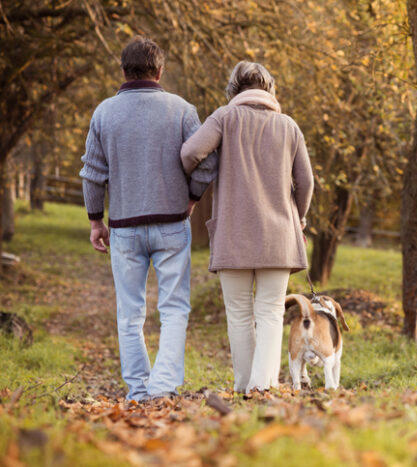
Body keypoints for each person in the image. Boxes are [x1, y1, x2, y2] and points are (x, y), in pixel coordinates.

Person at [79, 36, 218, 402]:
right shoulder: (183, 110)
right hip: (172, 223)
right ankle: (163, 387)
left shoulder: (104, 113)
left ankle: (138, 391)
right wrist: (191, 197)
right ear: (160, 71)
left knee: (129, 315)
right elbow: (208, 162)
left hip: (124, 227)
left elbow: (92, 173)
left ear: (123, 71)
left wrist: (96, 220)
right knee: (174, 310)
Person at [181, 61, 313, 394]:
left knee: (239, 314)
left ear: (233, 90)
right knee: (270, 313)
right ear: (269, 89)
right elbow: (306, 181)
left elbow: (191, 152)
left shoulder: (224, 117)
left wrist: (197, 176)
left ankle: (245, 385)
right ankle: (262, 386)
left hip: (234, 234)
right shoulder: (288, 126)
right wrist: (299, 216)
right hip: (279, 236)